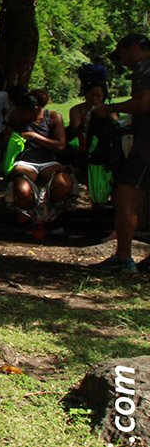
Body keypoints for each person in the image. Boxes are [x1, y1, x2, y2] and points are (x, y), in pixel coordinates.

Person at [90, 33, 150, 273]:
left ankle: (124, 258)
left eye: (123, 55)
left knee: (126, 196)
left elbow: (144, 102)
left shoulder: (144, 67)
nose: (123, 62)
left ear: (134, 48)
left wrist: (110, 109)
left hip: (146, 147)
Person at [5, 87, 72, 235]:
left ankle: (51, 215)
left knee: (64, 184)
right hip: (26, 160)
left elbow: (60, 145)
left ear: (36, 109)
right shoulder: (17, 116)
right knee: (23, 190)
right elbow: (8, 129)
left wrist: (35, 137)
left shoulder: (54, 118)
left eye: (25, 112)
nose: (22, 115)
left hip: (48, 160)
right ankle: (30, 217)